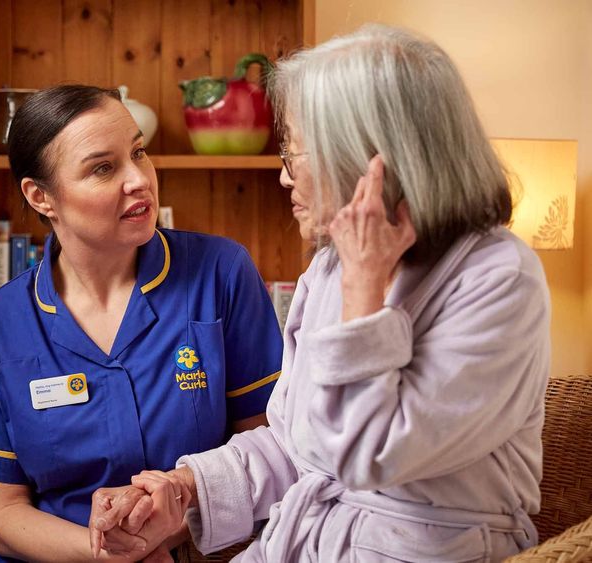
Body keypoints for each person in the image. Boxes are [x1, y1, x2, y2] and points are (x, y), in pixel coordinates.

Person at [94, 25, 551, 562]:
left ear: (366, 159)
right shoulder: (332, 267)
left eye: (293, 152)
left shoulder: (499, 277)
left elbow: (367, 456)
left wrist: (364, 287)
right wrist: (184, 486)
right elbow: (297, 444)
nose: (284, 178)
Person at [0, 85, 284, 562]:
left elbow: (267, 450)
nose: (138, 179)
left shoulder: (221, 273)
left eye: (138, 152)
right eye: (103, 168)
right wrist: (107, 554)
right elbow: (2, 516)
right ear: (41, 197)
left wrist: (171, 531)